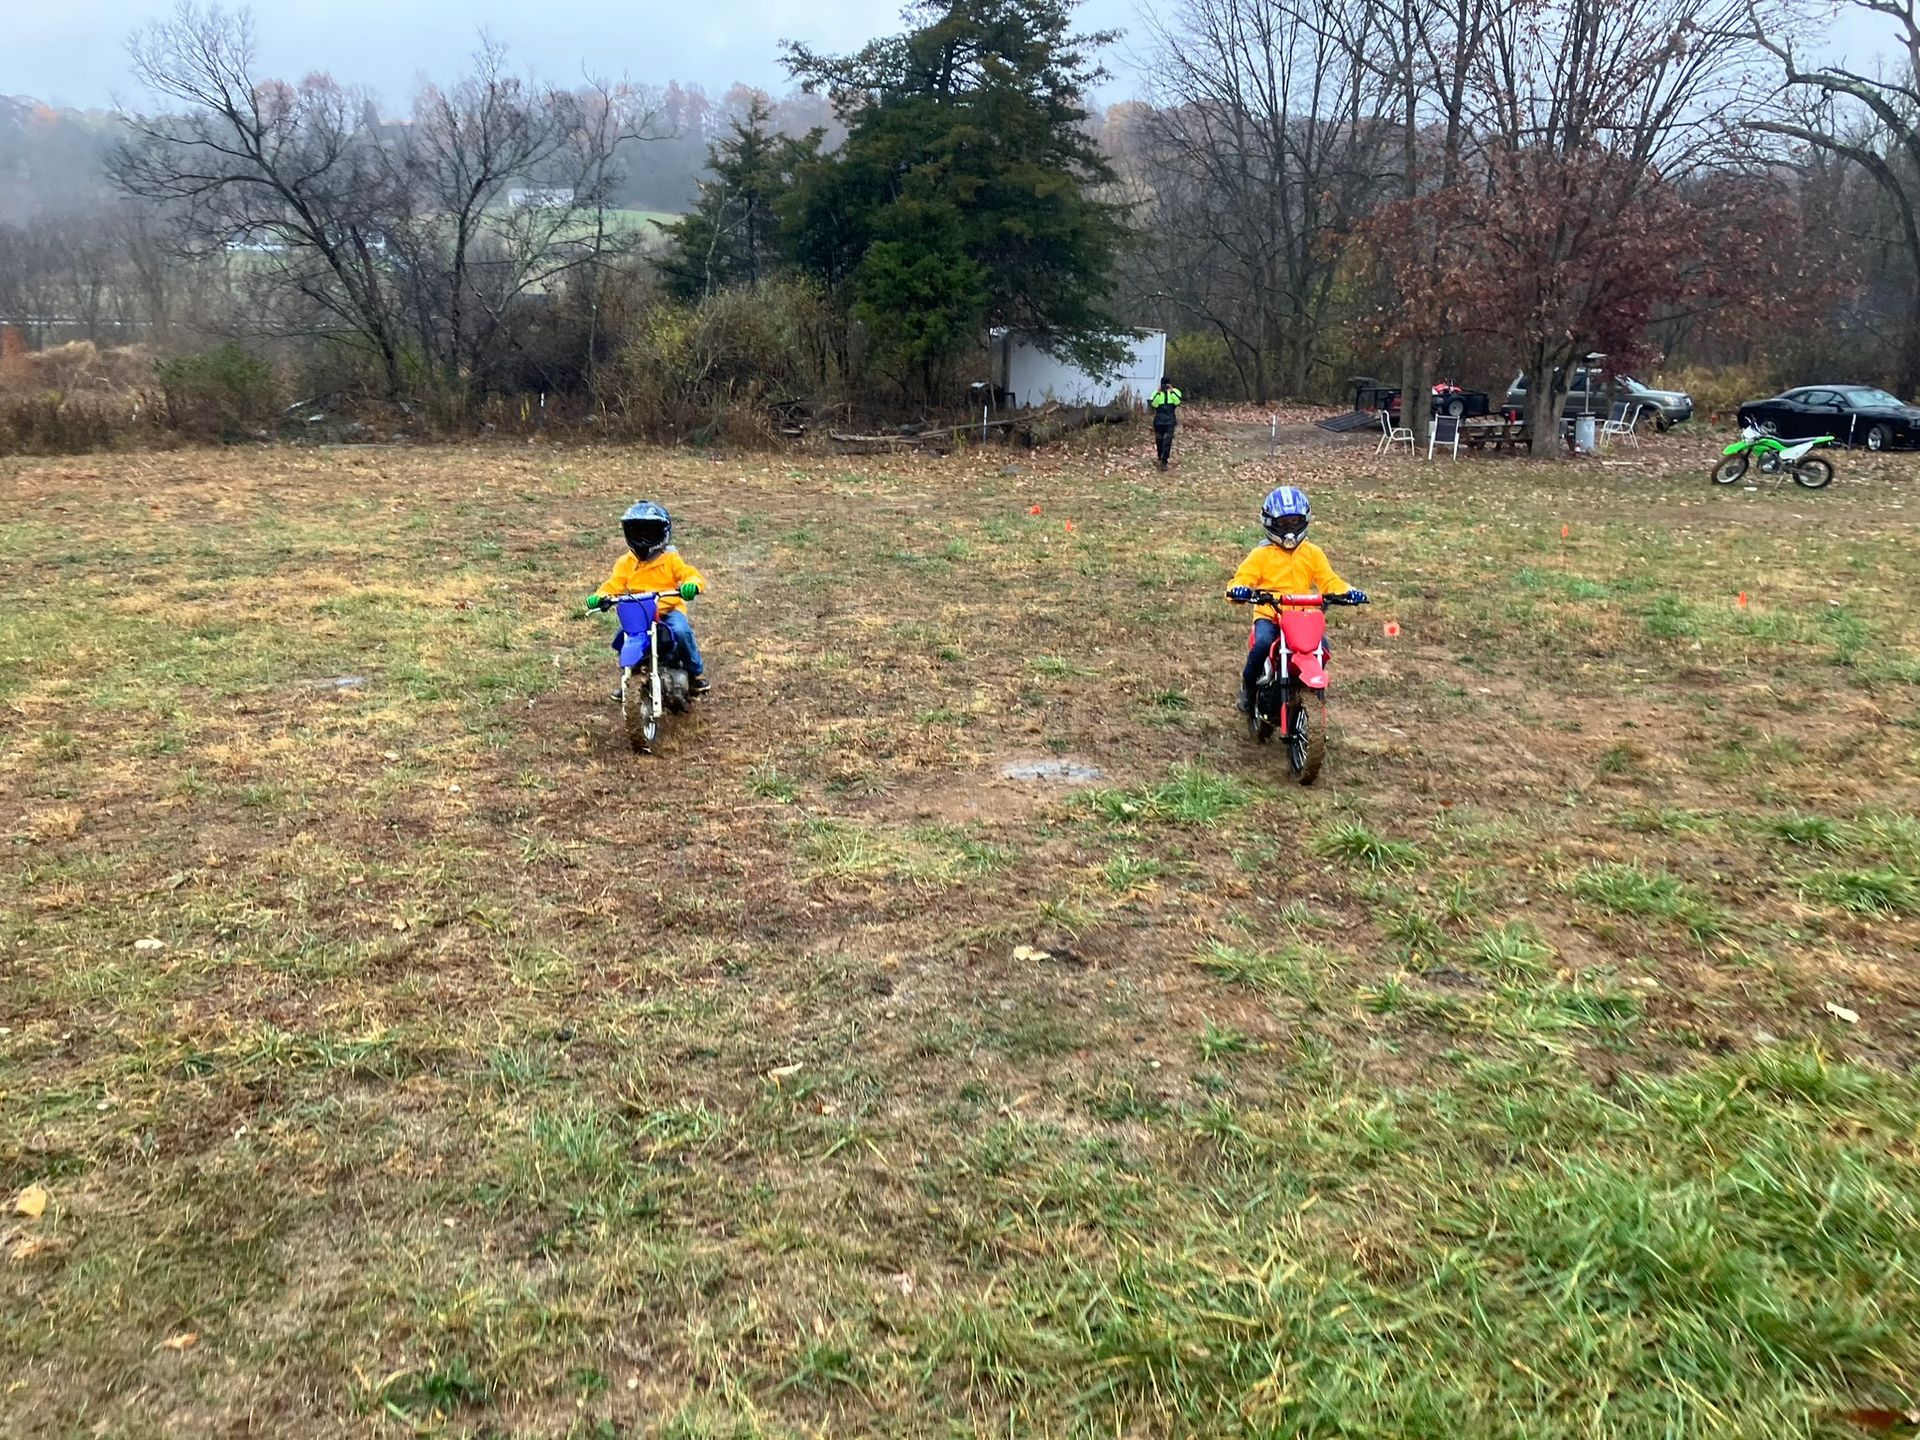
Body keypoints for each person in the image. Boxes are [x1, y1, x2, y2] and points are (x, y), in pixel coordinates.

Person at [1225, 486, 1367, 713]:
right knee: (1262, 644)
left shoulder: (1312, 553)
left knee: (1324, 646)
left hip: (1302, 617)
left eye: (1295, 522)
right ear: (1270, 523)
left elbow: (1329, 580)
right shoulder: (1261, 555)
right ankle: (1249, 688)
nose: (1289, 531)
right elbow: (1242, 579)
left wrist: (1347, 592)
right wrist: (1239, 590)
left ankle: (1300, 687)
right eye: (1283, 524)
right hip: (1270, 615)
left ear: (1305, 521)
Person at [588, 500, 710, 695]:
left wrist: (692, 585)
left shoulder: (670, 559)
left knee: (682, 632)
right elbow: (614, 583)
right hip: (640, 613)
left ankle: (696, 673)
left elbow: (689, 573)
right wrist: (600, 596)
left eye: (649, 533)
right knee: (624, 638)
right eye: (637, 533)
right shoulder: (626, 562)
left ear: (663, 534)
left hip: (668, 610)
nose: (643, 540)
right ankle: (627, 676)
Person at [1148, 377, 1184, 470]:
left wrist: (1171, 392)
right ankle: (1160, 457)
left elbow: (1177, 401)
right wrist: (1158, 392)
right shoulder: (1156, 392)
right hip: (1159, 420)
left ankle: (1164, 461)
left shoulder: (1175, 392)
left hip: (1170, 420)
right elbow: (1154, 404)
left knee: (1167, 442)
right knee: (1159, 441)